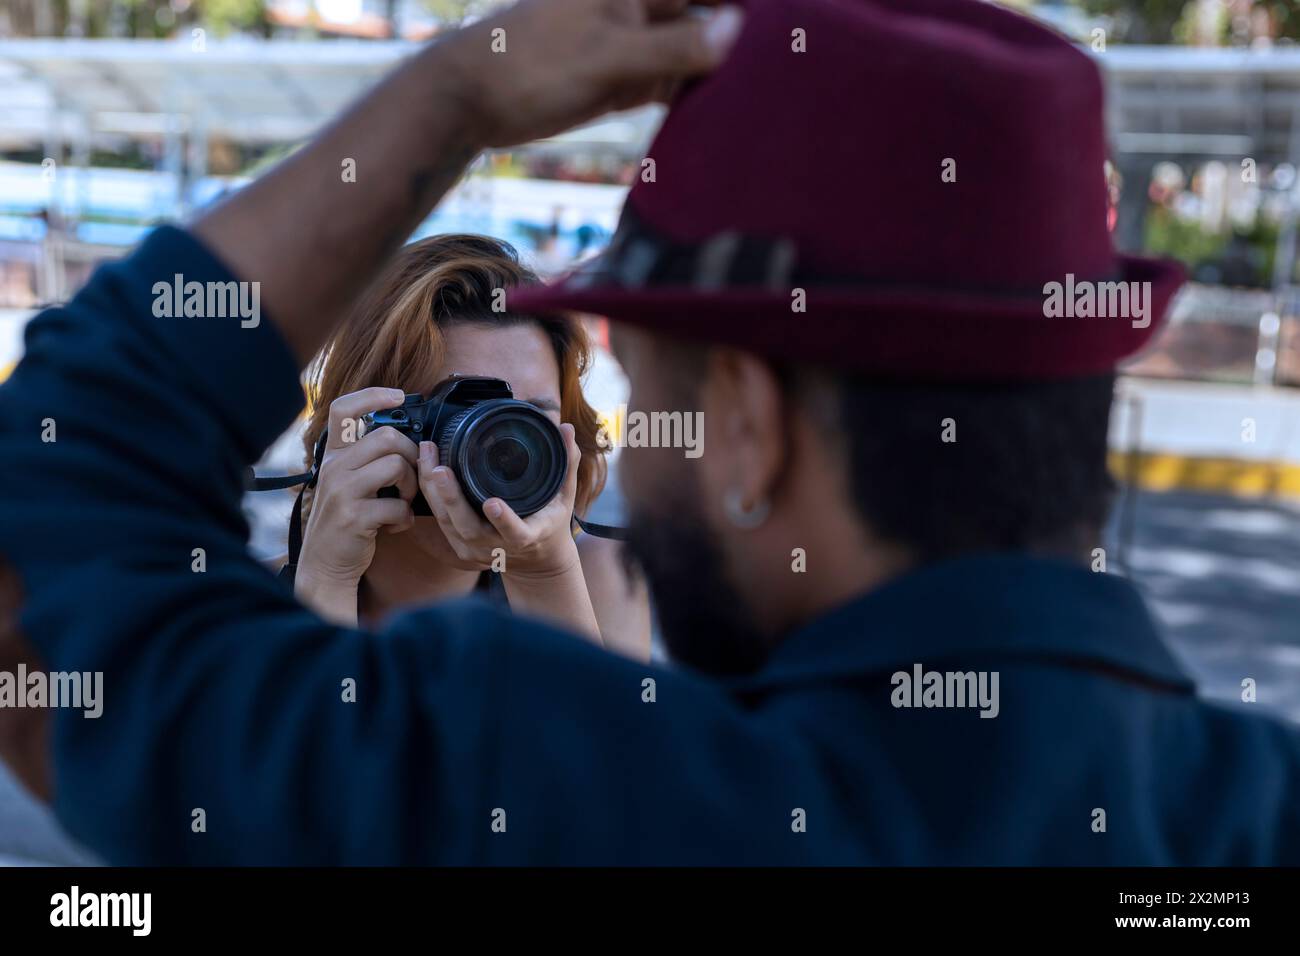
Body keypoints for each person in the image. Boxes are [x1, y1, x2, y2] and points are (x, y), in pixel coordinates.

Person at [1, 0, 1298, 866]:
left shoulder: (560, 781)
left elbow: (47, 532)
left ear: (743, 424)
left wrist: (455, 93)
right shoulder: (1257, 810)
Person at [286, 234, 650, 658]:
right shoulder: (250, 608)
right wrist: (326, 581)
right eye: (458, 412)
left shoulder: (602, 584)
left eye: (528, 418)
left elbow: (596, 727)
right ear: (359, 427)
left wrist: (545, 577)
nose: (501, 447)